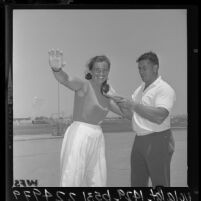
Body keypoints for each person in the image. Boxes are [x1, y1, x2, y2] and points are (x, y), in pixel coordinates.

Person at [48, 49, 123, 187]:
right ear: (91, 71)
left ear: (108, 71)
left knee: (98, 180)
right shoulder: (84, 84)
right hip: (79, 134)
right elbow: (66, 79)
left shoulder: (107, 94)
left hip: (98, 137)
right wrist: (56, 69)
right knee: (71, 178)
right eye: (97, 70)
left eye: (104, 70)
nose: (101, 73)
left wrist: (115, 96)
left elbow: (127, 113)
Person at [112, 51, 176, 187]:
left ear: (155, 68)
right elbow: (132, 116)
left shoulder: (164, 89)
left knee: (160, 184)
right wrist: (118, 103)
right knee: (137, 184)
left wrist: (133, 105)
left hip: (159, 140)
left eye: (144, 68)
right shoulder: (139, 90)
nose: (141, 72)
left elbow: (159, 116)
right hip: (139, 140)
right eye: (139, 68)